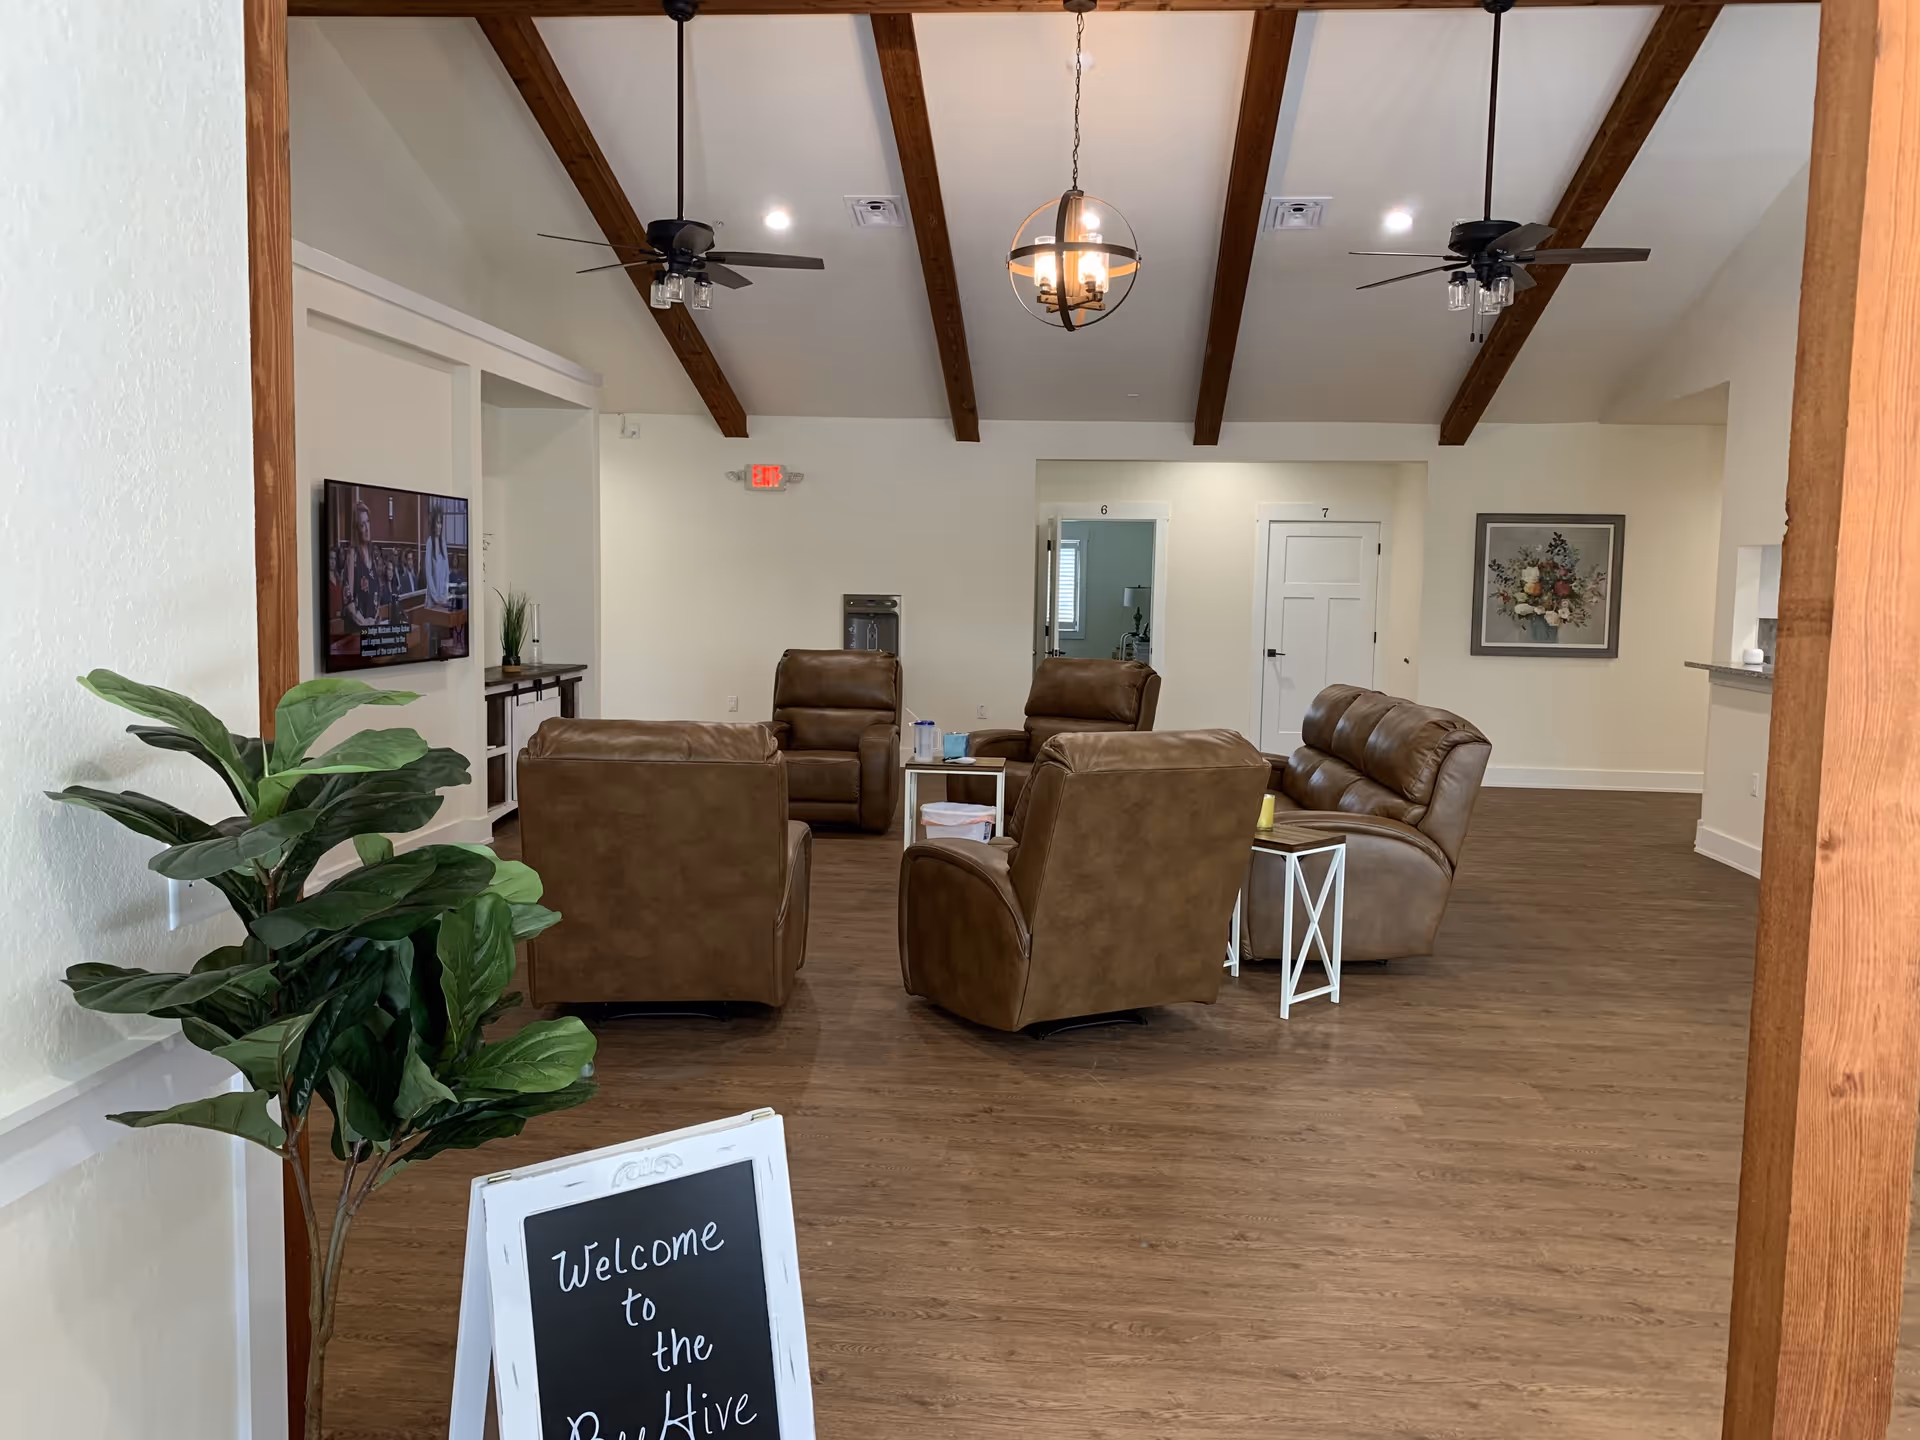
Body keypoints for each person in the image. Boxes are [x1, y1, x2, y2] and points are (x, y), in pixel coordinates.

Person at [340, 500, 382, 633]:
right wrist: (364, 623)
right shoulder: (353, 555)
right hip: (357, 630)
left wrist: (375, 620)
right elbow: (348, 599)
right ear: (356, 529)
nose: (367, 528)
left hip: (373, 627)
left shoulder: (374, 554)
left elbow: (377, 593)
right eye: (362, 525)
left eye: (368, 522)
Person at [424, 504, 454, 609]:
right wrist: (436, 598)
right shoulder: (430, 543)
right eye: (437, 522)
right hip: (432, 601)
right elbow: (428, 574)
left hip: (443, 599)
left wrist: (444, 595)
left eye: (441, 522)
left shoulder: (443, 543)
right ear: (433, 524)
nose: (439, 526)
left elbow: (446, 573)